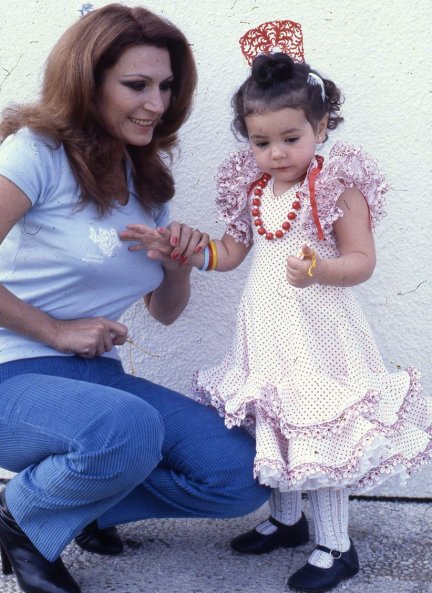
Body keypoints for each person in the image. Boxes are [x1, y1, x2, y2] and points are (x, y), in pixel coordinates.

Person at [124, 24, 432, 593]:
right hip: (265, 327)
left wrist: (321, 269)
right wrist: (191, 252)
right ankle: (287, 520)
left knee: (319, 426)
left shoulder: (336, 185)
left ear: (320, 127)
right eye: (261, 142)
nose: (276, 154)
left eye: (291, 138)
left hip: (319, 331)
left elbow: (362, 260)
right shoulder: (254, 187)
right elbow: (236, 251)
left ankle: (336, 545)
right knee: (276, 417)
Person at [0, 5, 269, 593]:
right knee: (129, 427)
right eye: (136, 85)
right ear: (86, 82)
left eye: (166, 86)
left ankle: (83, 505)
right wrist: (53, 331)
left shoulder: (145, 183)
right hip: (9, 374)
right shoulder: (36, 153)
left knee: (242, 476)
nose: (156, 103)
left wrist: (176, 268)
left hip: (96, 380)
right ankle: (23, 519)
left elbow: (165, 313)